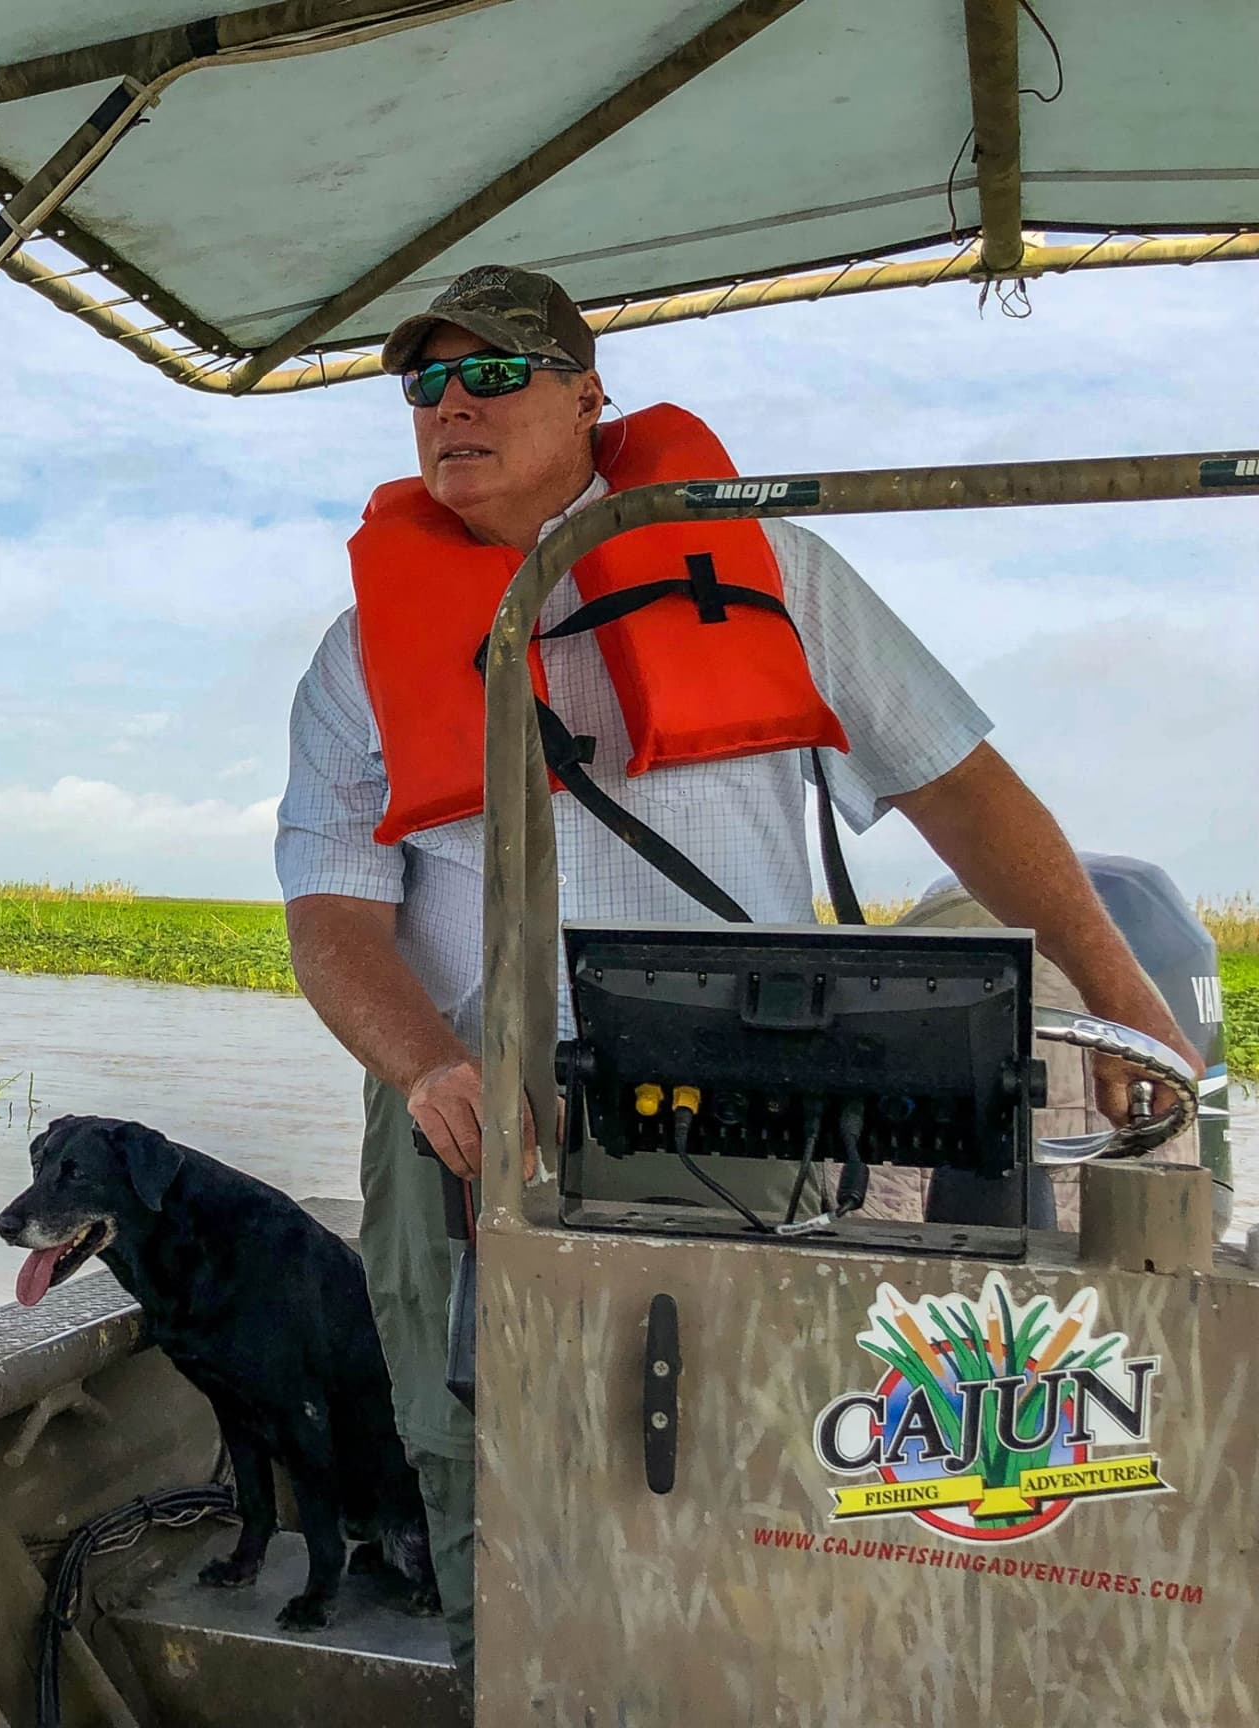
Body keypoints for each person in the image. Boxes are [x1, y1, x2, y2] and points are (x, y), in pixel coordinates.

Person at [272, 263, 1201, 1670]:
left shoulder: (765, 567)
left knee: (738, 1415)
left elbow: (963, 793)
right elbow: (330, 913)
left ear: (590, 398)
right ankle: (499, 1672)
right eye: (425, 383)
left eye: (492, 373)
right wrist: (425, 1065)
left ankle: (733, 1672)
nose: (450, 405)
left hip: (739, 1089)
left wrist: (1130, 1009)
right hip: (468, 1104)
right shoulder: (360, 655)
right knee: (459, 1426)